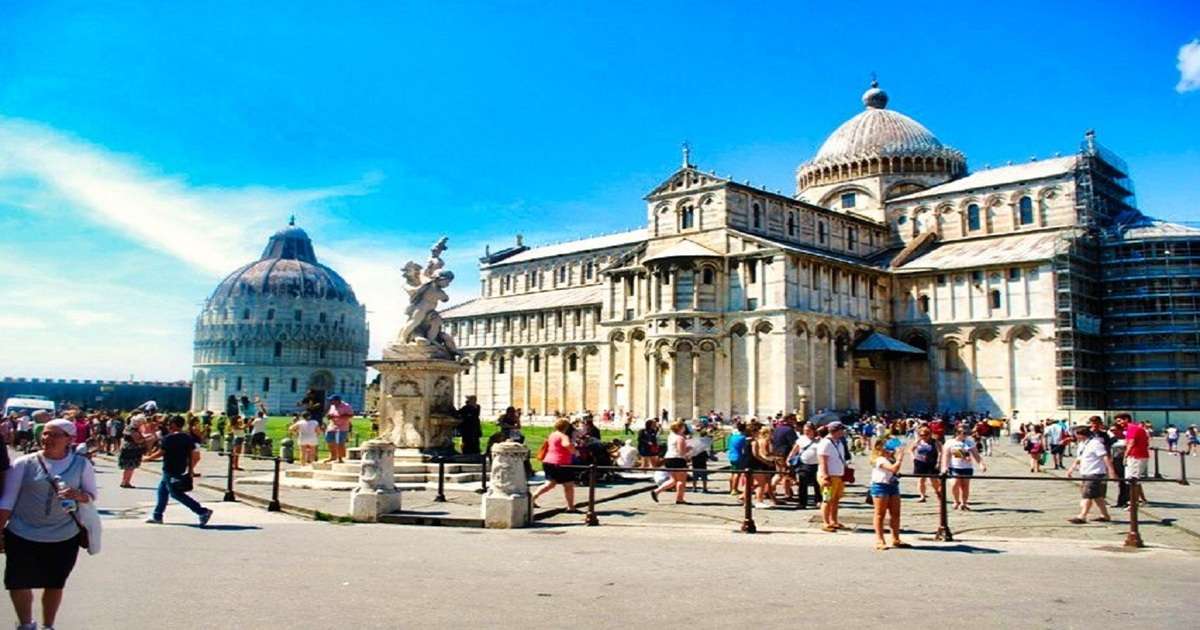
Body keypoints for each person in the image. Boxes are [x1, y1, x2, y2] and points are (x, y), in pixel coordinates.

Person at [0, 419, 96, 630]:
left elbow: (91, 496)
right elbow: (7, 499)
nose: (47, 438)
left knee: (54, 582)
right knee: (18, 581)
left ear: (69, 439)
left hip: (63, 535)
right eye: (45, 434)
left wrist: (78, 495)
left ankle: (48, 625)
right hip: (21, 531)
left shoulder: (82, 464)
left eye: (55, 435)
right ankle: (26, 624)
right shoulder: (24, 463)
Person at [145, 416, 213, 526]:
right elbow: (192, 455)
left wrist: (148, 458)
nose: (168, 426)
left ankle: (202, 511)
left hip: (170, 468)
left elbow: (161, 453)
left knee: (175, 493)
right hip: (181, 467)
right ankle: (157, 515)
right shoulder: (187, 438)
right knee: (162, 490)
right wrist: (191, 470)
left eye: (169, 424)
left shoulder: (168, 438)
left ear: (174, 424)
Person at [1066, 426, 1117, 524]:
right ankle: (1105, 515)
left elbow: (1105, 457)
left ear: (1081, 434)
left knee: (1087, 494)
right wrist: (1072, 468)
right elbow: (1080, 457)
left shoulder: (1096, 443)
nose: (1074, 437)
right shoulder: (1082, 444)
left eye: (1076, 435)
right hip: (1086, 472)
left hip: (1095, 473)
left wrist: (1111, 471)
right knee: (1097, 496)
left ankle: (1082, 516)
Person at [869, 438, 909, 550]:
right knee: (880, 514)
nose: (892, 450)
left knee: (895, 513)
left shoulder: (890, 458)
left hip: (892, 486)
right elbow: (893, 469)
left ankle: (896, 538)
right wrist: (900, 458)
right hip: (880, 486)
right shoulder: (879, 459)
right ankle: (879, 540)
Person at [532, 418, 577, 511]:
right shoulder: (563, 436)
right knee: (569, 485)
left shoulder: (552, 435)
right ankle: (571, 507)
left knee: (549, 484)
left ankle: (532, 498)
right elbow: (566, 445)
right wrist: (574, 450)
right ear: (567, 427)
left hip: (548, 461)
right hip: (562, 463)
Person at [941, 426, 986, 510]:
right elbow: (946, 455)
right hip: (954, 466)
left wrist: (981, 464)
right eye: (964, 433)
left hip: (966, 467)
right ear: (957, 433)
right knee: (955, 484)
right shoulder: (950, 442)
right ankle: (956, 501)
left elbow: (975, 454)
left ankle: (964, 503)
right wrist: (944, 466)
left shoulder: (970, 442)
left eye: (967, 433)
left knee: (965, 485)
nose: (966, 435)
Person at [816, 421, 850, 532]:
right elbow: (823, 460)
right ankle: (826, 522)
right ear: (836, 431)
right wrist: (825, 476)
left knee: (836, 500)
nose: (843, 432)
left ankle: (833, 520)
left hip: (838, 475)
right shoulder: (825, 443)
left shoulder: (839, 442)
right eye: (842, 430)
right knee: (827, 499)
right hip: (829, 476)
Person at [651, 420, 691, 504]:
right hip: (677, 459)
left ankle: (656, 491)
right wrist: (688, 449)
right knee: (681, 480)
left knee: (673, 479)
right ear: (680, 428)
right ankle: (680, 499)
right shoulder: (680, 438)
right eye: (683, 426)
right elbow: (681, 452)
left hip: (669, 458)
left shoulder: (671, 436)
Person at [1119, 413, 1150, 510]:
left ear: (1126, 419)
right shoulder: (1132, 428)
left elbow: (1131, 443)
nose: (1119, 423)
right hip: (1137, 455)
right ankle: (1140, 500)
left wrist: (1125, 455)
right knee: (1135, 480)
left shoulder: (1132, 428)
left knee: (1133, 480)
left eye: (1120, 421)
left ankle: (1133, 503)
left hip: (1136, 456)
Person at [788, 422, 820, 509]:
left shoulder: (819, 440)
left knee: (817, 484)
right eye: (805, 430)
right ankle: (802, 502)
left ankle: (818, 500)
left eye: (808, 430)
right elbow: (795, 450)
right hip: (804, 464)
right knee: (802, 484)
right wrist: (789, 459)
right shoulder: (801, 439)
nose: (806, 432)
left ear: (813, 431)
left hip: (817, 464)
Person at [908, 425, 941, 502]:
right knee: (921, 479)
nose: (923, 437)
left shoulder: (935, 442)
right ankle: (922, 496)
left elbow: (940, 452)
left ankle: (937, 492)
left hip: (932, 462)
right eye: (921, 435)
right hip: (920, 462)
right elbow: (910, 450)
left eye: (925, 435)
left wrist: (939, 462)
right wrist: (913, 458)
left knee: (934, 480)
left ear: (929, 434)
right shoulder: (918, 441)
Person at [117, 416, 147, 488]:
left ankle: (124, 481)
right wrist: (146, 439)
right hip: (131, 449)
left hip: (126, 448)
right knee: (130, 467)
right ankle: (126, 482)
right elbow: (137, 440)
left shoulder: (128, 427)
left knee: (127, 467)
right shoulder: (133, 430)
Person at [324, 395, 354, 464]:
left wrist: (340, 416)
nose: (331, 402)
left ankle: (340, 458)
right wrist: (329, 416)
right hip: (332, 426)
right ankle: (332, 456)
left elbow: (351, 415)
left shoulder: (346, 406)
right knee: (329, 440)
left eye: (332, 401)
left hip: (342, 427)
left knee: (340, 442)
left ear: (338, 401)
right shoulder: (332, 406)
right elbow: (329, 414)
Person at [727, 421, 749, 497]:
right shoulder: (743, 438)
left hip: (731, 455)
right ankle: (734, 489)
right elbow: (744, 448)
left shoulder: (733, 437)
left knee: (733, 473)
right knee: (737, 473)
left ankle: (732, 488)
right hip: (738, 456)